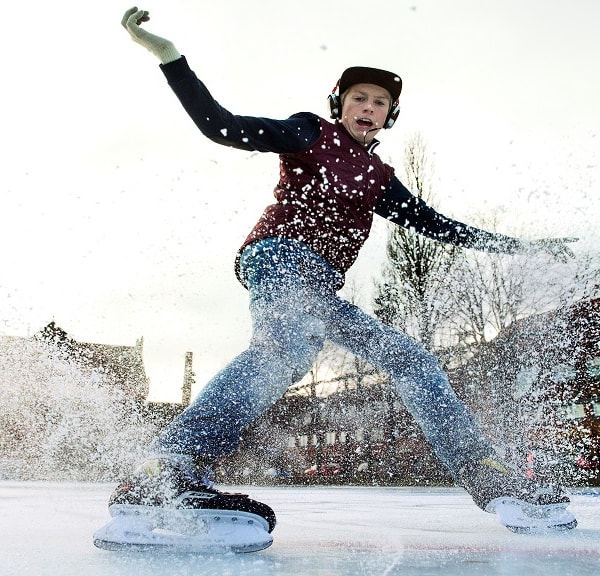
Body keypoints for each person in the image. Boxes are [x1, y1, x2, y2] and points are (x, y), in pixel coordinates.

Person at [98, 7, 579, 549]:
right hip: (280, 260)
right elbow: (220, 125)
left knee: (311, 358)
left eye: (380, 104)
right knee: (354, 357)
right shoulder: (310, 132)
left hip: (313, 282)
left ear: (389, 117)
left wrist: (520, 248)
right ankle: (490, 477)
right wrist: (170, 57)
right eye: (359, 99)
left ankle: (162, 474)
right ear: (340, 104)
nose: (368, 109)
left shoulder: (380, 178)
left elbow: (439, 226)